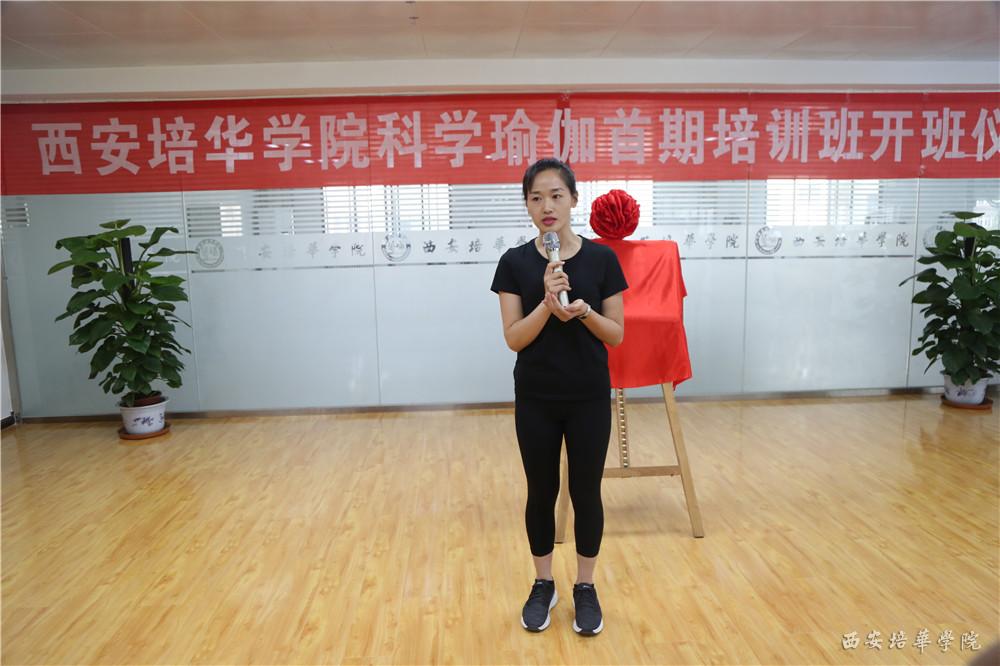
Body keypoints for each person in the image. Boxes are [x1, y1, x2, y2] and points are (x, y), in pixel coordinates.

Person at [490, 157, 627, 636]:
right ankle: (543, 583)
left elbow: (615, 335)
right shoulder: (514, 263)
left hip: (588, 396)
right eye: (535, 198)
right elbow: (514, 338)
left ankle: (585, 587)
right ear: (526, 205)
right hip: (537, 398)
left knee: (586, 492)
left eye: (555, 195)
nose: (546, 206)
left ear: (573, 199)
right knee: (541, 491)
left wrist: (583, 311)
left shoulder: (602, 260)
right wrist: (548, 306)